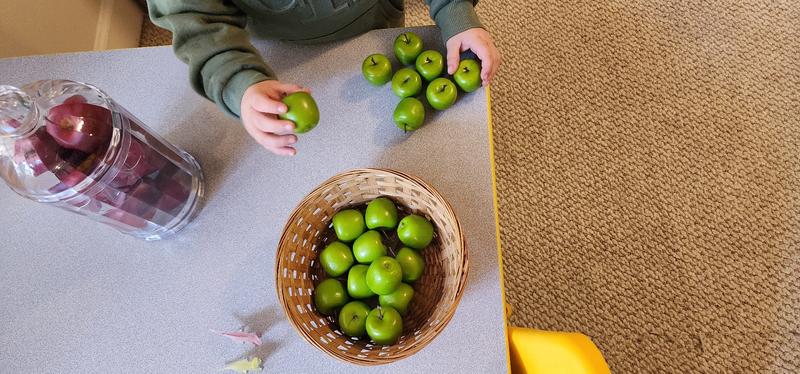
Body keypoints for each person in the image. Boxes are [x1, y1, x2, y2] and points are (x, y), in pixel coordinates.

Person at [148, 0, 501, 156]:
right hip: (276, 56)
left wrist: (455, 12)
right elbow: (195, 23)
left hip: (375, 28)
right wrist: (240, 82)